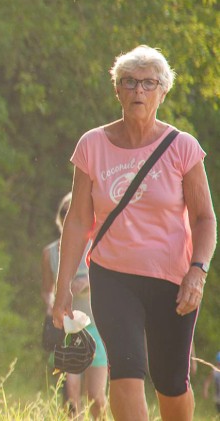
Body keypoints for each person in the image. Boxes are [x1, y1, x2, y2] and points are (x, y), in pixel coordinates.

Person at [52, 45, 216, 421]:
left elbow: (205, 219)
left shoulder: (182, 148)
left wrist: (198, 270)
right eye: (129, 82)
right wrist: (63, 289)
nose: (138, 90)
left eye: (148, 83)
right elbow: (78, 221)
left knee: (171, 381)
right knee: (124, 371)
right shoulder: (92, 145)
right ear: (117, 90)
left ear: (163, 91)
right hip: (112, 276)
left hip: (171, 279)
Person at [41, 193, 108, 419]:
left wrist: (88, 282)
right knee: (71, 393)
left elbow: (113, 280)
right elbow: (46, 290)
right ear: (60, 218)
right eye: (65, 213)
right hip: (68, 328)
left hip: (97, 326)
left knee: (96, 396)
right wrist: (52, 305)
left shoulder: (98, 246)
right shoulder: (50, 253)